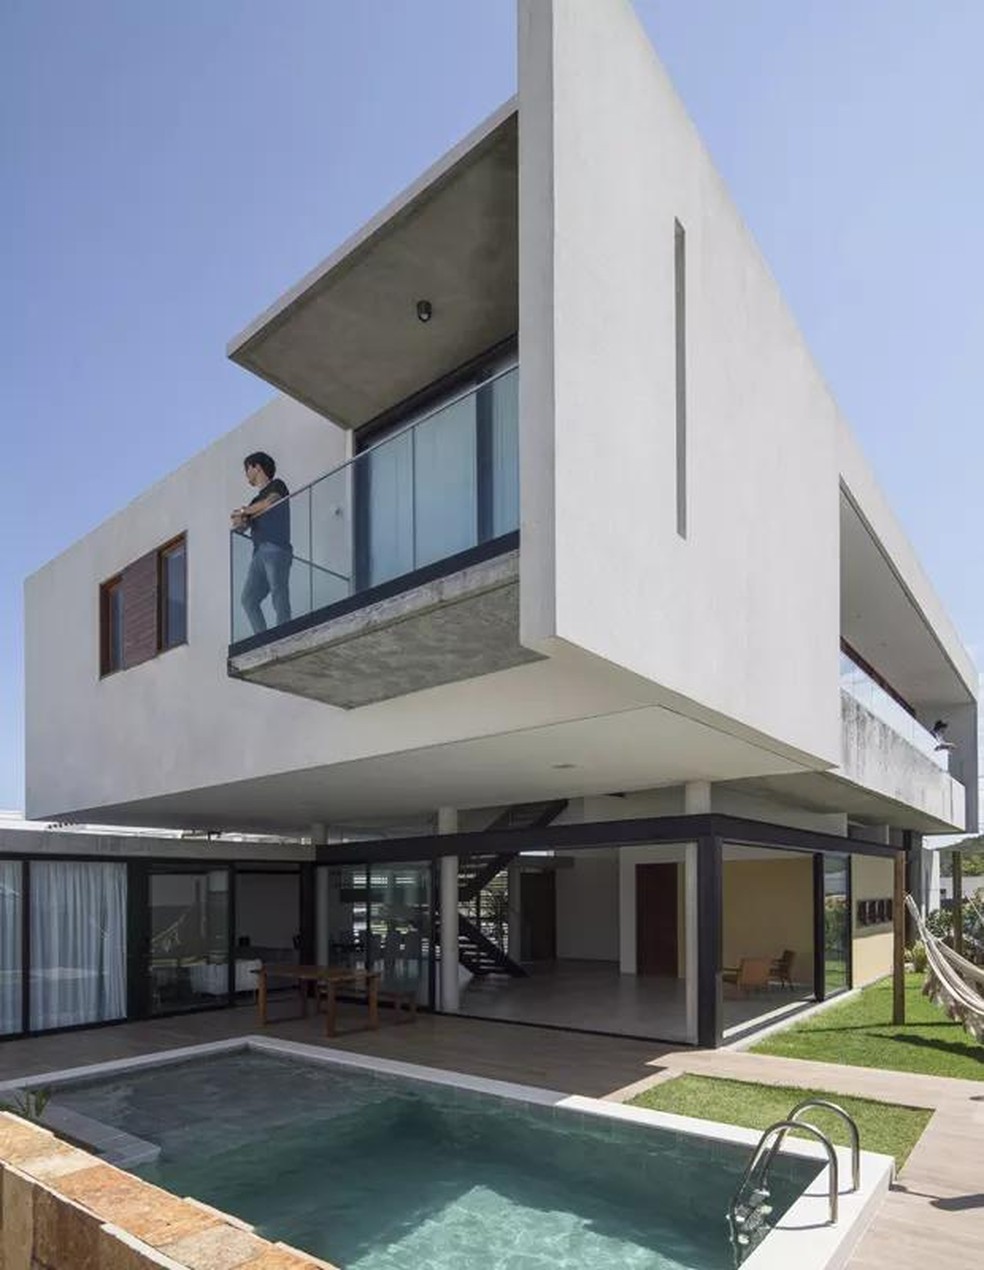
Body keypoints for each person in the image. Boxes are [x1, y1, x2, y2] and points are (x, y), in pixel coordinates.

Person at [232, 452, 292, 633]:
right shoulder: (254, 501)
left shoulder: (277, 485)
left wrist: (244, 510)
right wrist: (240, 518)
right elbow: (241, 527)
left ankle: (284, 631)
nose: (246, 474)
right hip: (258, 554)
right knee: (248, 599)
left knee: (278, 590)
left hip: (276, 548)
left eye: (247, 469)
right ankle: (262, 636)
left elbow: (270, 502)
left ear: (257, 467)